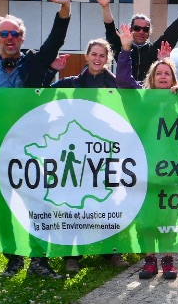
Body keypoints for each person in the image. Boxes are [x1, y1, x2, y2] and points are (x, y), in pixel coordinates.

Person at [0, 0, 72, 280]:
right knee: (3, 203)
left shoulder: (34, 64)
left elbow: (56, 39)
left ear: (22, 38)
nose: (10, 38)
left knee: (38, 200)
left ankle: (40, 261)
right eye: (4, 34)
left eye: (15, 33)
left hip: (32, 147)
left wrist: (65, 7)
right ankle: (12, 259)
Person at [49, 39, 129, 272]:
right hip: (74, 155)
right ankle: (72, 255)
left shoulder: (116, 85)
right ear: (86, 56)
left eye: (102, 55)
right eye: (93, 54)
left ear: (107, 59)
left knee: (108, 203)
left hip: (105, 154)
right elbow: (38, 93)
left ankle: (111, 252)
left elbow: (141, 101)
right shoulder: (70, 83)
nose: (97, 58)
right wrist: (51, 69)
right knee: (72, 204)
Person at [115, 24, 178, 280]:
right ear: (151, 80)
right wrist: (125, 49)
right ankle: (149, 261)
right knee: (146, 221)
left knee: (167, 221)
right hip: (144, 173)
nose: (163, 76)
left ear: (173, 79)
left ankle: (168, 260)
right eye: (159, 73)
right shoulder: (142, 101)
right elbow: (122, 81)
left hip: (171, 173)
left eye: (167, 73)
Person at [92, 0, 178, 82]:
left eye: (145, 29)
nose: (141, 31)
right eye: (137, 28)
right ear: (130, 30)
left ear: (149, 32)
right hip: (125, 97)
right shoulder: (122, 48)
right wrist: (105, 7)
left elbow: (172, 34)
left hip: (149, 97)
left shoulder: (155, 50)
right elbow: (110, 28)